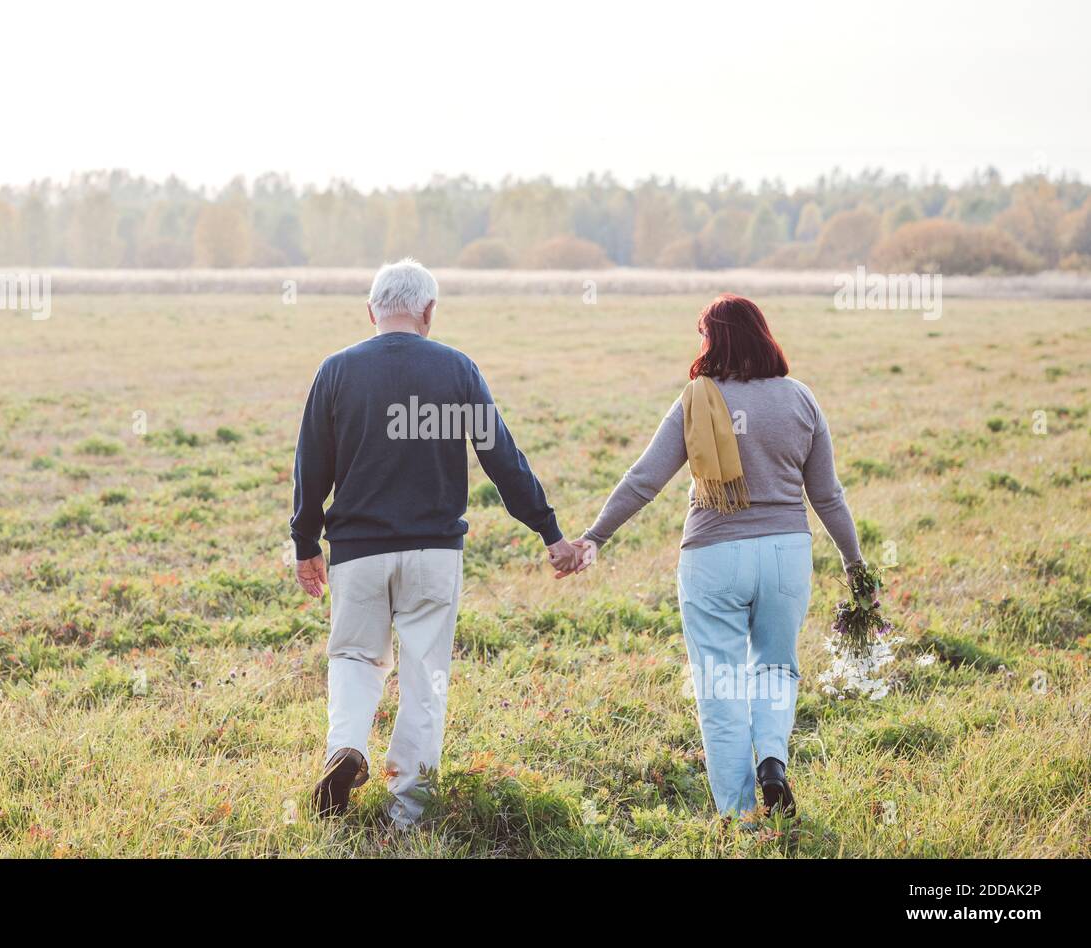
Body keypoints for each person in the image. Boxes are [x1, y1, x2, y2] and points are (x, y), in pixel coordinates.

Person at [289, 258, 581, 826]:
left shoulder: (336, 371)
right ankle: (408, 813)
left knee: (354, 656)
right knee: (425, 674)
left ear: (371, 311)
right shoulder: (457, 369)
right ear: (429, 312)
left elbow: (310, 466)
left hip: (358, 551)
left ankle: (345, 748)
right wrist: (550, 532)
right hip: (434, 554)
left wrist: (305, 544)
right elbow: (502, 460)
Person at [565, 294, 863, 817]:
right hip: (785, 555)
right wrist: (856, 564)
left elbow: (644, 480)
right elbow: (828, 496)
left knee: (720, 684)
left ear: (714, 341)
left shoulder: (697, 399)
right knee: (775, 667)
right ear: (762, 336)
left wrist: (595, 536)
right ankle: (773, 757)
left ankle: (738, 816)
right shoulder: (801, 399)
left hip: (713, 556)